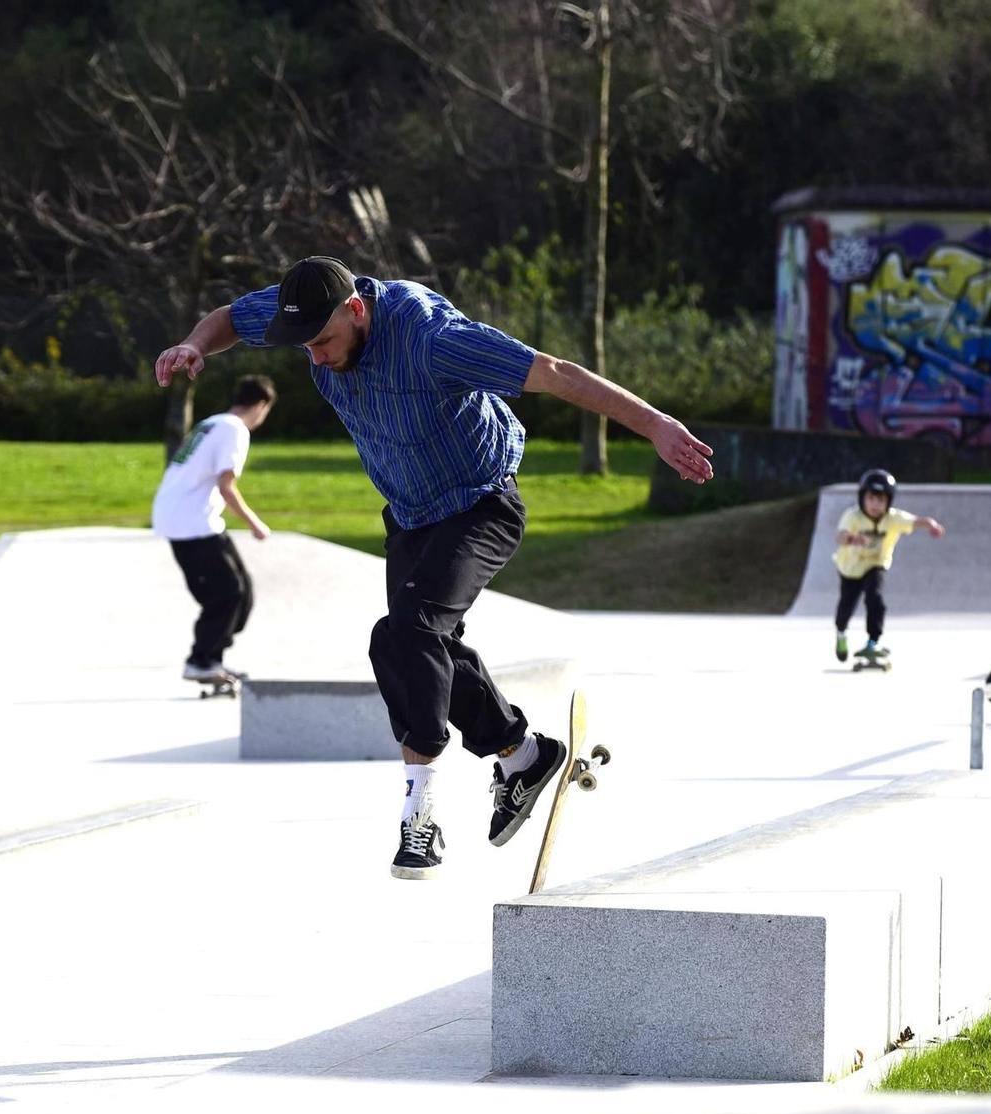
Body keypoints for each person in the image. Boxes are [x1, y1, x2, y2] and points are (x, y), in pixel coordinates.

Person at [154, 255, 715, 880]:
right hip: (410, 516)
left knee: (410, 631)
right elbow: (231, 316)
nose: (314, 357)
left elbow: (556, 374)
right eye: (304, 346)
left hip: (481, 505)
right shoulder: (309, 309)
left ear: (357, 310)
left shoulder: (432, 340)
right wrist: (193, 344)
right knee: (413, 647)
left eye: (323, 342)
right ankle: (523, 754)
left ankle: (419, 814)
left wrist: (659, 428)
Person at [152, 375, 276, 686]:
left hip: (192, 518)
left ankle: (214, 658)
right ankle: (200, 660)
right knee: (227, 594)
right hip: (189, 522)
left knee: (242, 593)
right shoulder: (235, 430)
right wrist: (254, 524)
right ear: (261, 405)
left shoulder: (214, 422)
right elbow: (226, 486)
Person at [832, 469, 945, 663]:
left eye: (881, 501)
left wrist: (932, 525)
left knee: (875, 599)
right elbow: (839, 536)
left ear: (889, 502)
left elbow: (917, 521)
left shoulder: (893, 518)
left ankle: (873, 641)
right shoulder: (853, 517)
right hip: (850, 569)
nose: (876, 505)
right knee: (845, 609)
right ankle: (841, 634)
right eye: (871, 499)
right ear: (862, 498)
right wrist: (852, 538)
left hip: (876, 564)